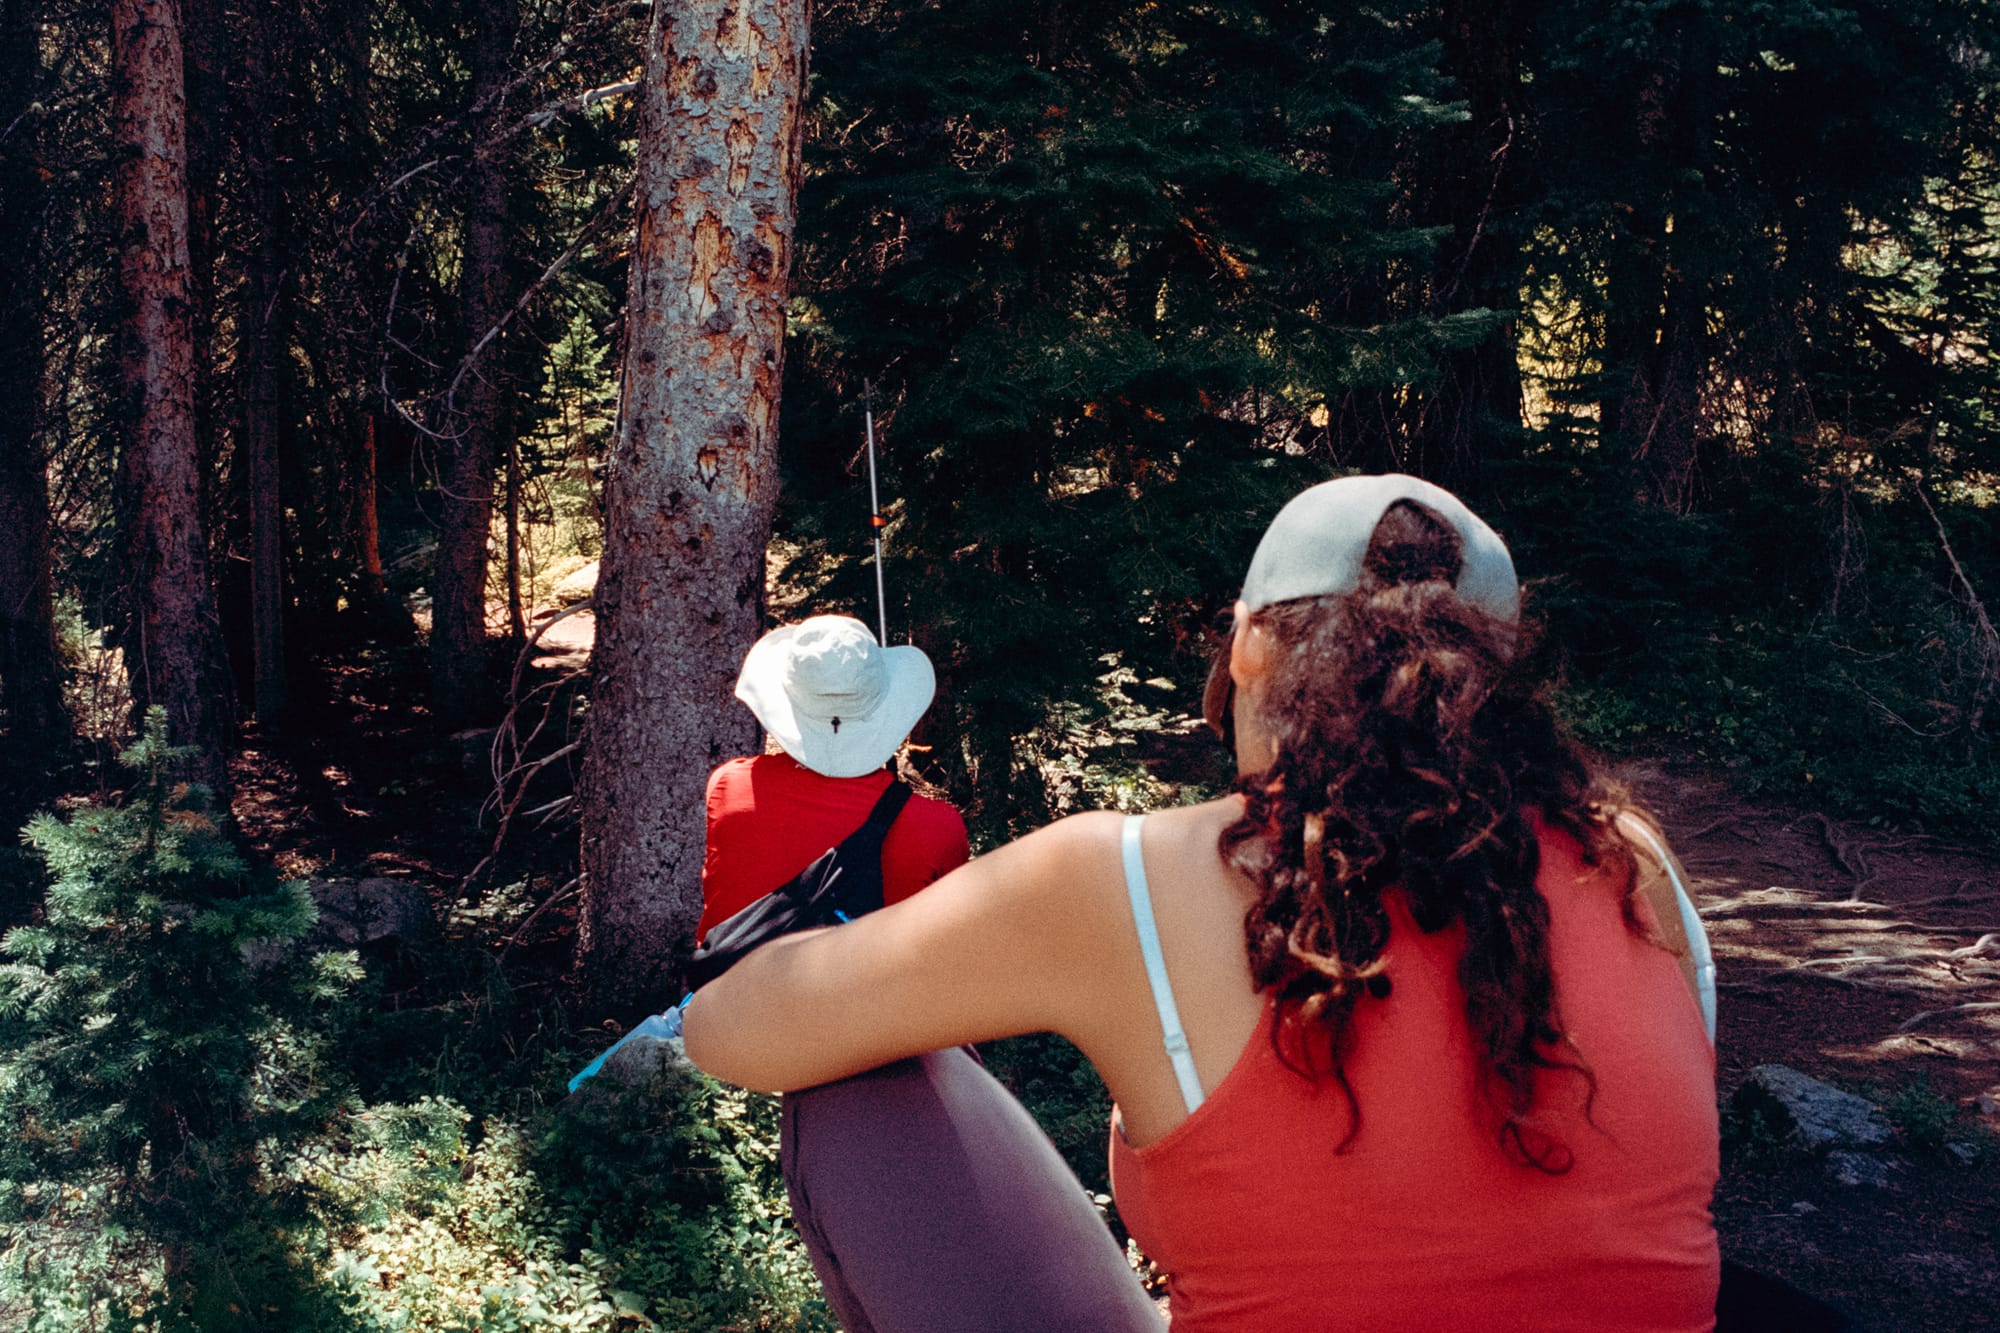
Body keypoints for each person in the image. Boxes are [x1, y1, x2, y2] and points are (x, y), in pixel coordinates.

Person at [686, 475, 1722, 1332]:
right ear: (1492, 678)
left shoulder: (1128, 878)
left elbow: (730, 1030)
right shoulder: (1629, 859)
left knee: (847, 1081)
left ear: (1248, 648)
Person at [705, 614, 1164, 1333]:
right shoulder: (933, 825)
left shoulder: (730, 790)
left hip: (782, 1049)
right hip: (917, 1065)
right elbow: (958, 965)